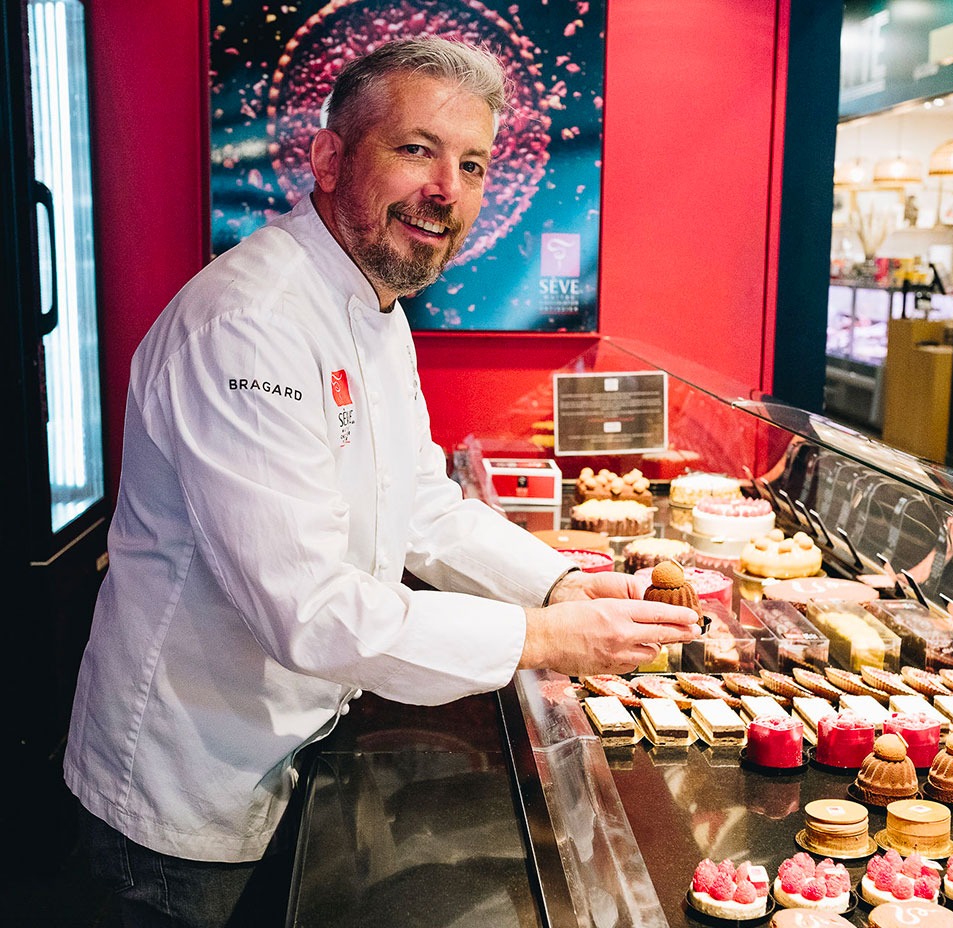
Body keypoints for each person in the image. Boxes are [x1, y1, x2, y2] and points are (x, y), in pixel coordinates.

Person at [65, 37, 700, 927]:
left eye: (472, 163)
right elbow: (310, 610)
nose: (447, 189)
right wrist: (546, 636)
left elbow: (423, 505)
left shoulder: (369, 299)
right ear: (328, 159)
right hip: (184, 786)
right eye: (416, 149)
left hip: (290, 741)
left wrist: (559, 581)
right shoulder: (250, 325)